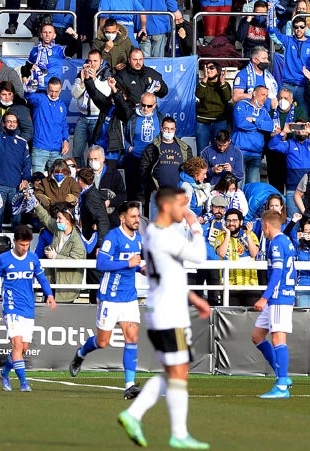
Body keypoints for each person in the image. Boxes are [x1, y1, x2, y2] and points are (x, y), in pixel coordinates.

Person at [118, 186, 212, 450]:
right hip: (169, 314)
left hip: (163, 309)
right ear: (168, 206)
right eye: (182, 205)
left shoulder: (152, 234)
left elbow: (171, 274)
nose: (186, 210)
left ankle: (135, 416)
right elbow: (200, 257)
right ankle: (176, 433)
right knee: (178, 374)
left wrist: (195, 299)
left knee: (174, 372)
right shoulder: (165, 236)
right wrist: (195, 226)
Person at [0, 224, 57, 392]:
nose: (24, 248)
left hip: (27, 307)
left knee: (23, 348)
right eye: (21, 245)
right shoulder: (4, 259)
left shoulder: (33, 259)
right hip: (11, 306)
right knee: (17, 345)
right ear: (15, 242)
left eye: (27, 245)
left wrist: (50, 295)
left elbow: (42, 279)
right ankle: (24, 383)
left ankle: (4, 373)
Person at [69, 201, 143, 397]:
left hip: (129, 296)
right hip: (110, 296)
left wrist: (142, 268)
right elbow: (101, 262)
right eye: (133, 216)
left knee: (132, 337)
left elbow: (133, 264)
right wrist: (128, 263)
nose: (137, 220)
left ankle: (129, 385)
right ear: (122, 218)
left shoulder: (138, 239)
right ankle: (81, 354)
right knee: (103, 342)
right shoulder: (113, 237)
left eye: (138, 216)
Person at [250, 209, 297, 399]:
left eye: (262, 226)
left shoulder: (277, 243)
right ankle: (281, 375)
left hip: (278, 297)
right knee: (257, 336)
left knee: (278, 338)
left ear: (266, 225)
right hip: (279, 297)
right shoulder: (286, 241)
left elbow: (277, 273)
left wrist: (265, 297)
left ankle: (282, 386)